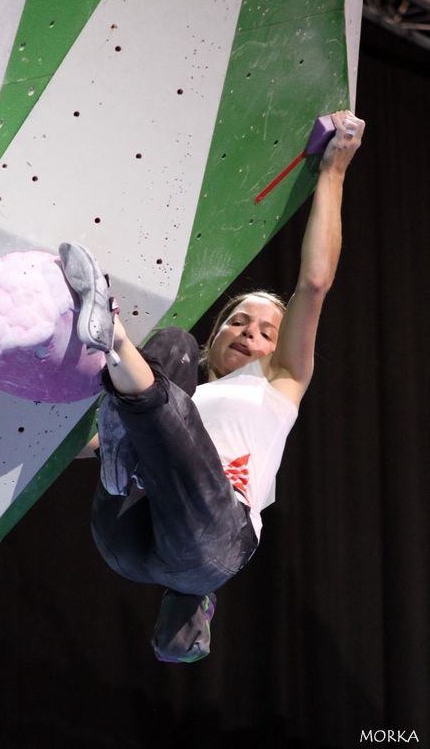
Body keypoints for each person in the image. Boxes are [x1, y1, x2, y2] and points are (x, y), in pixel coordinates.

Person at [61, 110, 365, 662]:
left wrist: (334, 172)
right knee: (174, 343)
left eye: (267, 329)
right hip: (129, 529)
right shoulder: (190, 396)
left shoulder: (283, 380)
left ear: (282, 348)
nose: (249, 333)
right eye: (237, 322)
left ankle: (113, 340)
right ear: (220, 335)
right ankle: (116, 359)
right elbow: (74, 451)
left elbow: (315, 283)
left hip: (209, 542)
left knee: (158, 400)